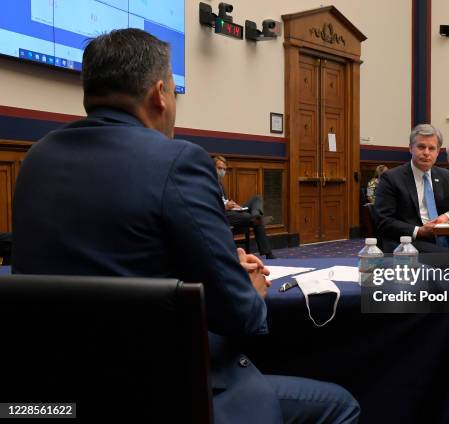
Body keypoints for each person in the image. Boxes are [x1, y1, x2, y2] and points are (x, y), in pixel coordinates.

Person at [11, 29, 359, 424]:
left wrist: (220, 266)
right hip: (166, 394)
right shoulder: (178, 161)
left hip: (55, 391)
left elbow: (114, 262)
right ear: (160, 93)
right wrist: (250, 288)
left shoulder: (37, 160)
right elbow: (241, 316)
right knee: (340, 405)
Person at [375, 124, 449, 253]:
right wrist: (419, 231)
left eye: (432, 148)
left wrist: (446, 216)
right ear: (411, 148)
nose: (426, 153)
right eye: (421, 147)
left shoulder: (446, 176)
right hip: (409, 242)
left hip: (446, 238)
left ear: (438, 152)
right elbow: (384, 221)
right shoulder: (391, 178)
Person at [214, 155, 276, 259]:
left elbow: (224, 200)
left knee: (257, 198)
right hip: (222, 214)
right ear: (213, 168)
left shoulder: (220, 183)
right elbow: (211, 205)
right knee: (250, 218)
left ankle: (256, 216)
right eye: (220, 168)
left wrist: (233, 205)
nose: (222, 171)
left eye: (224, 169)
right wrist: (225, 206)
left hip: (230, 211)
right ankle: (268, 253)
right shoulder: (209, 183)